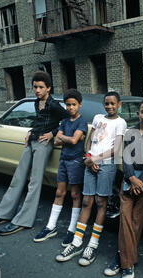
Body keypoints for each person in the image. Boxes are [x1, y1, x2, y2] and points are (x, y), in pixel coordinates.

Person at [0, 71, 70, 236]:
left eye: (41, 87)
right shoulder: (37, 103)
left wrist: (53, 133)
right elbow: (38, 121)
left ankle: (22, 220)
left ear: (48, 88)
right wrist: (31, 131)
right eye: (35, 87)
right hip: (32, 141)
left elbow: (67, 119)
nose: (37, 90)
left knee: (34, 183)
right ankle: (4, 214)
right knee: (18, 178)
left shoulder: (53, 105)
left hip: (44, 145)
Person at [55, 91, 127, 266]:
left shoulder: (120, 123)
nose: (109, 106)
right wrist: (88, 157)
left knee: (101, 203)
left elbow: (116, 150)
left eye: (112, 103)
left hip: (106, 165)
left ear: (119, 104)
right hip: (89, 162)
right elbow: (89, 139)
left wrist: (95, 159)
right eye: (107, 103)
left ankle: (92, 245)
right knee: (87, 201)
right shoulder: (97, 118)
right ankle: (77, 242)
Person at [103, 99, 143, 278]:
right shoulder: (130, 132)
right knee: (125, 219)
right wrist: (131, 178)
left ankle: (120, 258)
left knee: (137, 222)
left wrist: (140, 181)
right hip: (129, 180)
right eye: (142, 111)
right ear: (138, 113)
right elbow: (126, 157)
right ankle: (127, 263)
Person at [33, 89, 88, 246]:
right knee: (59, 192)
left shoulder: (82, 122)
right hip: (64, 160)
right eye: (68, 105)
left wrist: (65, 138)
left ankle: (72, 229)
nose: (70, 108)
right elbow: (58, 141)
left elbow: (73, 141)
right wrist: (67, 138)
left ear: (79, 104)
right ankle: (51, 226)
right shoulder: (64, 122)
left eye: (74, 105)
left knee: (76, 194)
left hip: (76, 161)